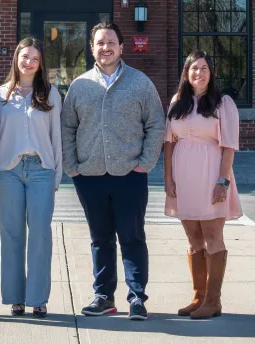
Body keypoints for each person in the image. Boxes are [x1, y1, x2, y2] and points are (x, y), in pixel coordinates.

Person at [62, 22, 164, 322]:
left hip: (130, 174)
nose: (105, 47)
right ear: (92, 48)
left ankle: (136, 298)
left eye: (110, 42)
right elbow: (67, 128)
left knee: (132, 237)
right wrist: (72, 167)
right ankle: (104, 297)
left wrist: (145, 163)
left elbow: (156, 124)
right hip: (89, 176)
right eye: (99, 42)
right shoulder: (80, 86)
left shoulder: (140, 83)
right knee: (100, 238)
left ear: (121, 47)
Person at [0, 37, 62, 319]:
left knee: (40, 234)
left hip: (41, 170)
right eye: (24, 56)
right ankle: (16, 297)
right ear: (16, 59)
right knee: (12, 234)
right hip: (7, 172)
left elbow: (56, 138)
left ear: (41, 64)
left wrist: (56, 176)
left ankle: (38, 298)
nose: (28, 62)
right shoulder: (0, 95)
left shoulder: (51, 95)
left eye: (35, 58)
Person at [164, 50, 242, 320]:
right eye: (194, 68)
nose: (199, 73)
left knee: (212, 236)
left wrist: (223, 180)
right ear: (186, 73)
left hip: (211, 176)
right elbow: (169, 143)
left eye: (204, 68)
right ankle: (198, 297)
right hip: (183, 178)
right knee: (193, 238)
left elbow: (229, 146)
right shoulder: (177, 102)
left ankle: (213, 300)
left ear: (212, 73)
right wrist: (168, 179)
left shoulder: (222, 103)